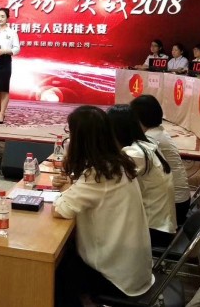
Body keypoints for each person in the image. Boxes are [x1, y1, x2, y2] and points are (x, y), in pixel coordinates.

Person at [52, 106, 154, 304]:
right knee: (66, 254)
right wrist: (69, 188)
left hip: (116, 278)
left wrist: (65, 189)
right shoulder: (118, 164)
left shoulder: (98, 174)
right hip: (134, 269)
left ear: (80, 139)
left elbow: (61, 209)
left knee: (53, 271)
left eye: (70, 133)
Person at [107, 105, 177, 246]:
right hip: (159, 224)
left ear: (116, 130)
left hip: (155, 230)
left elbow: (106, 183)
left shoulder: (136, 154)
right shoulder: (144, 144)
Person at [130, 94, 191, 225]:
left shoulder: (151, 139)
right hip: (181, 200)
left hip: (174, 206)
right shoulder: (158, 132)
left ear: (139, 118)